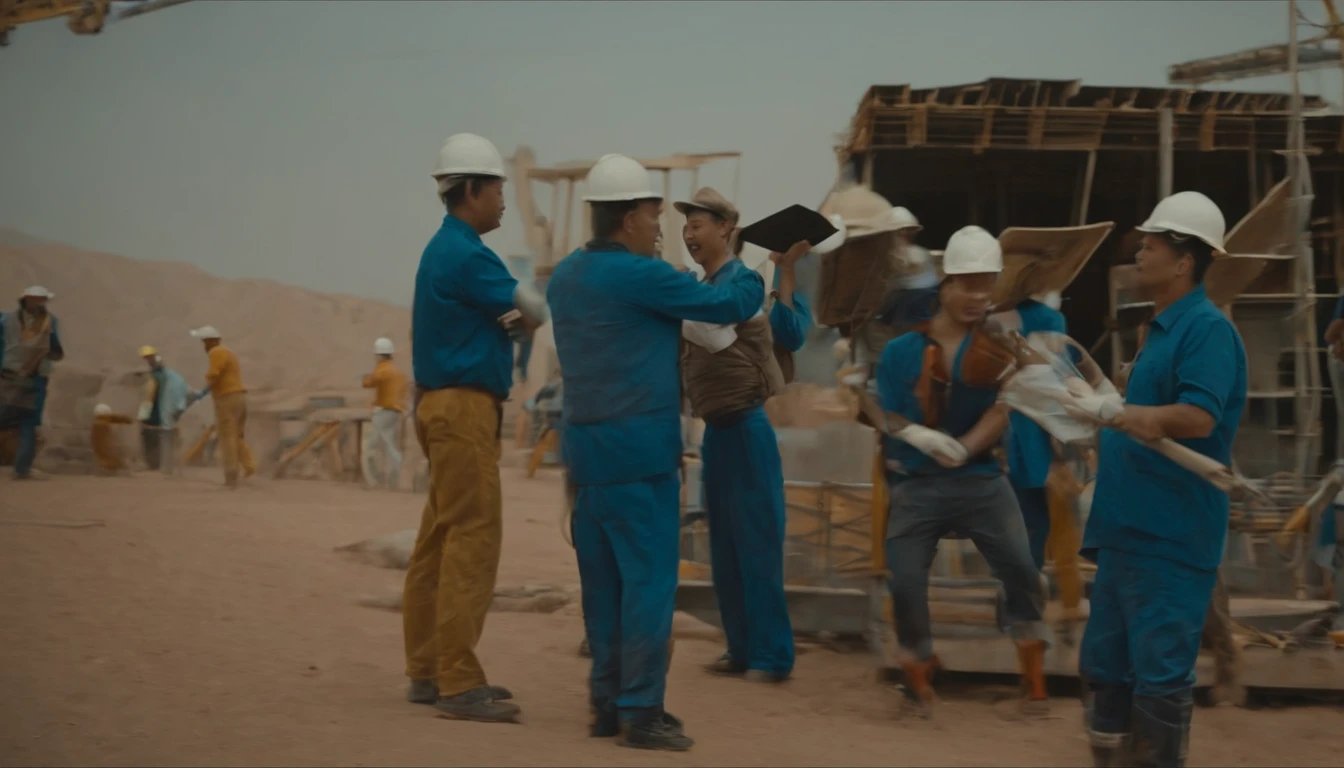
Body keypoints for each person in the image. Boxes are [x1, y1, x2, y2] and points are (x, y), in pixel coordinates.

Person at [548, 155, 765, 751]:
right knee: (646, 586)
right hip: (640, 456)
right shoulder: (640, 275)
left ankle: (605, 704)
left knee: (604, 589)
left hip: (587, 460)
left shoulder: (565, 277)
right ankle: (641, 711)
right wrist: (748, 269)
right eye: (652, 215)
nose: (660, 228)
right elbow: (726, 306)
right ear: (627, 219)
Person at [1078, 191, 1247, 768]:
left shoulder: (1206, 330)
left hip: (1169, 538)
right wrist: (1096, 399)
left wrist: (1133, 415)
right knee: (1105, 668)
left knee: (1159, 675)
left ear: (1184, 261)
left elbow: (1200, 417)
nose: (1139, 253)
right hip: (1126, 531)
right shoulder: (1161, 332)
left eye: (1151, 245)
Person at [874, 225, 1053, 715]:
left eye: (986, 284)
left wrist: (964, 445)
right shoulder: (900, 352)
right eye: (968, 283)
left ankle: (1034, 681)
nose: (978, 295)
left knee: (1022, 569)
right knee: (906, 581)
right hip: (916, 483)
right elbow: (882, 413)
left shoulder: (1003, 347)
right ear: (945, 285)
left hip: (980, 480)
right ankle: (917, 675)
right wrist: (922, 438)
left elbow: (1008, 402)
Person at [403, 133, 548, 724]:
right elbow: (535, 311)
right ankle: (458, 680)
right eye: (497, 188)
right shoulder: (468, 254)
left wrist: (505, 322)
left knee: (438, 538)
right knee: (473, 536)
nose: (504, 201)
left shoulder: (442, 251)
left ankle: (426, 669)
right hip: (464, 409)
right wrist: (516, 323)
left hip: (440, 405)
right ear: (469, 190)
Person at [673, 187, 808, 685]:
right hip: (717, 435)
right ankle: (740, 647)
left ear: (726, 229)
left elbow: (715, 326)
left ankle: (772, 657)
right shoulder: (700, 285)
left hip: (748, 429)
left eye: (699, 225)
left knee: (757, 544)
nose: (690, 234)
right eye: (686, 227)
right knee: (724, 548)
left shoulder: (743, 282)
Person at [995, 291, 1068, 570]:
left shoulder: (991, 315)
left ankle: (1013, 582)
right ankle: (1026, 585)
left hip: (999, 424)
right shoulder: (1050, 318)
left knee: (1010, 515)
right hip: (1035, 425)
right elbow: (1057, 376)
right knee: (1035, 516)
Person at [0, 286, 64, 480]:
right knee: (27, 422)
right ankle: (22, 469)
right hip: (28, 378)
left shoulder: (5, 319)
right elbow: (56, 351)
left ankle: (22, 469)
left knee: (21, 421)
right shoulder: (50, 322)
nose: (39, 303)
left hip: (13, 377)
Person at [188, 325, 256, 488]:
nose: (204, 346)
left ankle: (231, 477)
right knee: (237, 436)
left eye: (205, 341)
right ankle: (250, 466)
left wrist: (200, 393)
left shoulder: (216, 352)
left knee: (227, 437)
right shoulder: (229, 353)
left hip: (226, 398)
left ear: (212, 341)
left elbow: (214, 375)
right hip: (239, 397)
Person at [362, 337, 408, 490]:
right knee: (390, 445)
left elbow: (369, 383)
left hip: (383, 412)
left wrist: (365, 379)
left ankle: (374, 481)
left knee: (371, 447)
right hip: (395, 412)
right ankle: (397, 477)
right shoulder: (398, 372)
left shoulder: (382, 368)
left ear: (380, 355)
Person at [137, 346, 190, 476]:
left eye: (149, 357)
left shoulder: (161, 374)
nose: (148, 360)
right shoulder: (156, 374)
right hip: (154, 407)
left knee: (157, 434)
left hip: (159, 407)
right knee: (151, 434)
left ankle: (160, 464)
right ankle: (156, 463)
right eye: (146, 358)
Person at [91, 403, 135, 474]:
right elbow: (113, 418)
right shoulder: (101, 424)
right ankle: (111, 468)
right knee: (111, 459)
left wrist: (126, 419)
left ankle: (110, 467)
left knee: (110, 459)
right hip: (106, 452)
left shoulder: (99, 421)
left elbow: (113, 418)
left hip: (104, 451)